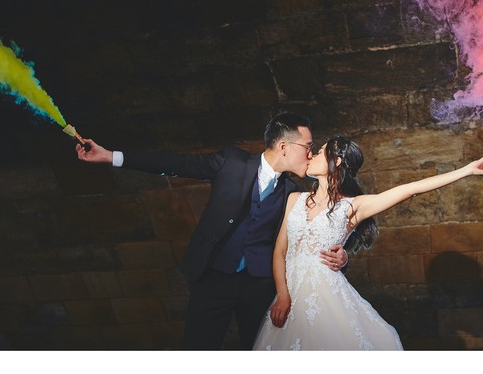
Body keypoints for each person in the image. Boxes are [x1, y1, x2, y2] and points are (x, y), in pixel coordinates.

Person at [75, 113, 349, 350]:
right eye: (308, 146)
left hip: (259, 287)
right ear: (284, 146)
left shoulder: (293, 193)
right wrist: (111, 156)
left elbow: (335, 220)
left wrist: (344, 256)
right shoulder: (231, 162)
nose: (311, 153)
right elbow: (173, 163)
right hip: (213, 277)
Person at [253, 135, 483, 350]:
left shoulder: (353, 206)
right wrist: (283, 295)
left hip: (328, 298)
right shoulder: (295, 198)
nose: (312, 155)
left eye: (319, 152)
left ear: (336, 161)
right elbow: (280, 251)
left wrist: (468, 169)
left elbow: (410, 189)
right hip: (288, 297)